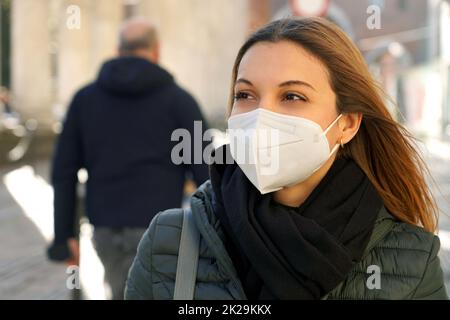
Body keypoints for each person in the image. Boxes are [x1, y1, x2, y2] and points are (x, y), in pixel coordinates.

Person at [125, 18, 448, 300]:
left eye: (292, 96)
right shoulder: (170, 241)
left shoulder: (410, 259)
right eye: (245, 95)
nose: (262, 116)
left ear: (347, 123)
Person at [47, 18, 209, 299]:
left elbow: (63, 172)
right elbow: (205, 172)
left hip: (105, 229)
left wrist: (64, 236)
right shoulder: (179, 101)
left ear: (118, 50)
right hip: (160, 228)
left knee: (120, 291)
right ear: (156, 51)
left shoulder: (85, 100)